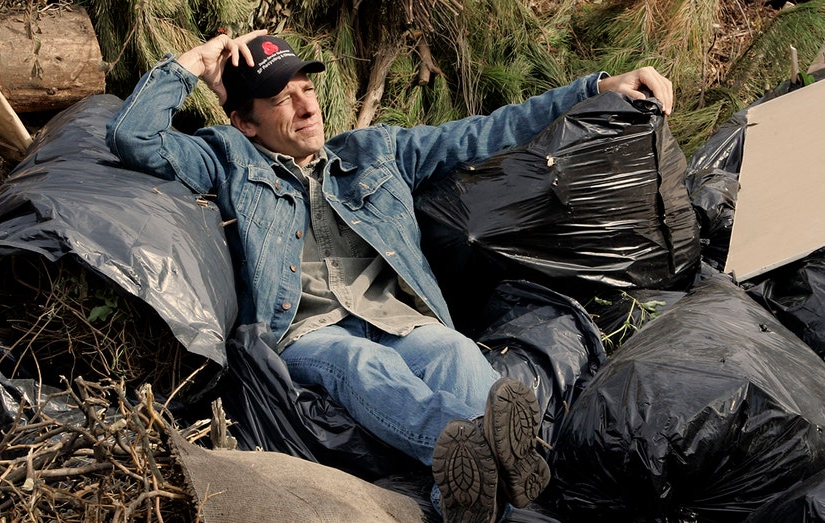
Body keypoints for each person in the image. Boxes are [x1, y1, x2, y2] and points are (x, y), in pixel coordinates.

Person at [107, 29, 674, 522]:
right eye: (282, 99)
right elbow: (133, 137)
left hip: (397, 316)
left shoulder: (377, 151)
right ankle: (496, 458)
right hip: (305, 334)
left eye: (307, 88)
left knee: (453, 351)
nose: (306, 106)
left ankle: (463, 496)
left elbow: (486, 132)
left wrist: (593, 89)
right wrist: (192, 65)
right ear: (246, 123)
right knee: (361, 364)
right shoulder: (229, 156)